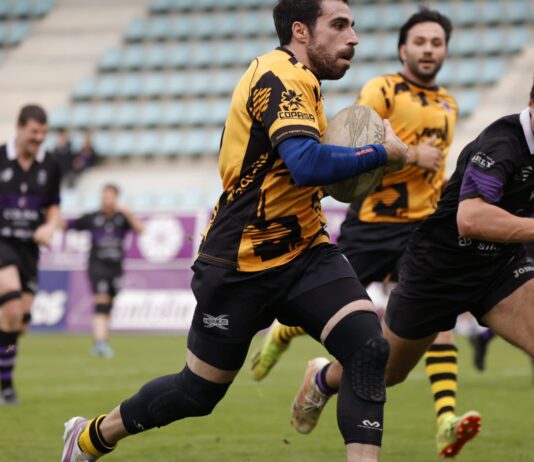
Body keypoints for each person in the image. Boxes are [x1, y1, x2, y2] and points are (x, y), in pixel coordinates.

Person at [60, 1, 408, 460]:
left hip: (304, 251)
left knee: (368, 345)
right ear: (301, 31)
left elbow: (289, 177)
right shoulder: (282, 77)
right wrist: (383, 153)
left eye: (353, 25)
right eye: (339, 25)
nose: (353, 37)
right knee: (197, 393)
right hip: (240, 261)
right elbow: (305, 165)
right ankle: (90, 436)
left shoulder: (304, 83)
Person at [250, 8, 480, 458]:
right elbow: (350, 143)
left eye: (436, 43)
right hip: (372, 226)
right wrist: (412, 155)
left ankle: (446, 418)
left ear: (446, 51)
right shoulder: (382, 89)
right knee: (331, 305)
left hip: (421, 229)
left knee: (438, 317)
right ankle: (284, 333)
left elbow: (438, 171)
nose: (428, 49)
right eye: (420, 42)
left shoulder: (449, 104)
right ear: (403, 49)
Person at [291, 78, 534, 458]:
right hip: (438, 270)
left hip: (500, 268)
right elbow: (470, 219)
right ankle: (323, 377)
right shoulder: (501, 144)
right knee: (388, 372)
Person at [0, 104, 62, 404]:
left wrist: (50, 226)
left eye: (43, 133)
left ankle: (6, 383)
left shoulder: (50, 165)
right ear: (20, 127)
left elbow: (53, 205)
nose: (39, 138)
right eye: (34, 132)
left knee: (18, 324)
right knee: (10, 307)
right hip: (2, 244)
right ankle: (7, 389)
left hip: (29, 250)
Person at [64, 184, 144, 358]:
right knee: (101, 304)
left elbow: (140, 229)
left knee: (107, 306)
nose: (106, 199)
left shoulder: (122, 218)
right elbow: (69, 225)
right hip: (97, 266)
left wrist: (128, 212)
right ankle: (100, 343)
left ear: (116, 198)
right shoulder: (92, 218)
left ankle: (102, 342)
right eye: (104, 196)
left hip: (115, 269)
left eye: (110, 196)